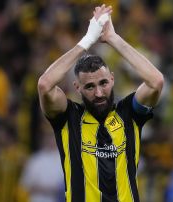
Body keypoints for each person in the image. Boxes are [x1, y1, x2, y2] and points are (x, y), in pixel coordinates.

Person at [37, 4, 164, 202]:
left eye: (103, 83)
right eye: (89, 86)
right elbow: (45, 85)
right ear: (77, 88)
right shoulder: (69, 118)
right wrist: (86, 41)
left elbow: (156, 82)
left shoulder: (128, 113)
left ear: (112, 79)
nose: (98, 93)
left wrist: (113, 39)